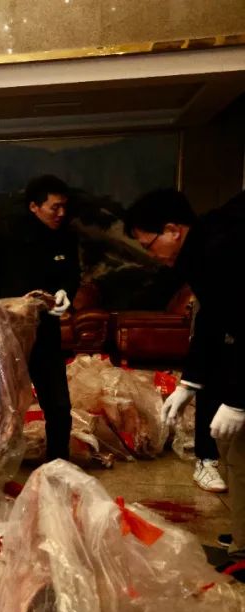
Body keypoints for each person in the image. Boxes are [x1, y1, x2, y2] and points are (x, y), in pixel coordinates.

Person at [125, 189, 245, 577]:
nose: (151, 254)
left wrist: (238, 400)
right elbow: (212, 318)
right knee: (234, 452)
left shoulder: (223, 247)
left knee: (241, 450)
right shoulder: (203, 249)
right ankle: (243, 537)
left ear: (173, 230)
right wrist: (189, 384)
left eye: (150, 244)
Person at [0, 175, 78, 461]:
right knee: (0, 402)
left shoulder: (65, 235)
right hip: (7, 331)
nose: (61, 213)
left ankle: (58, 462)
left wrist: (65, 293)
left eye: (64, 206)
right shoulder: (4, 232)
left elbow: (71, 273)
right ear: (34, 206)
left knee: (57, 402)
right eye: (54, 207)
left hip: (45, 329)